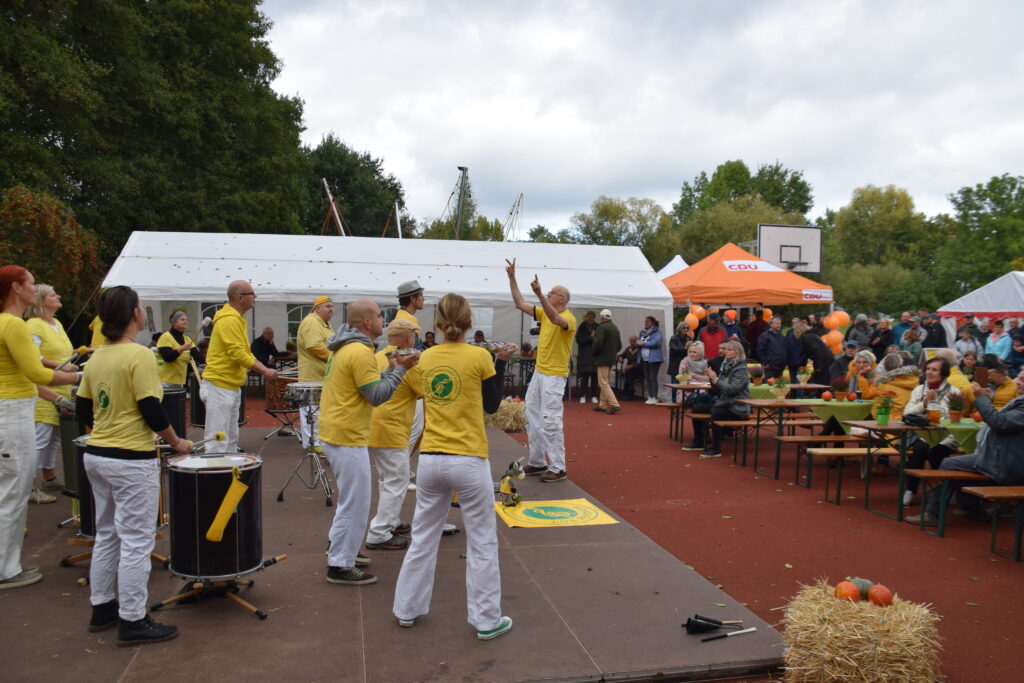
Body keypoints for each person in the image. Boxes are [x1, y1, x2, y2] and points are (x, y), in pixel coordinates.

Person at [393, 293, 516, 640]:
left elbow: (420, 391)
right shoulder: (480, 356)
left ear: (438, 324)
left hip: (431, 458)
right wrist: (501, 362)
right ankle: (486, 619)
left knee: (422, 538)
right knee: (482, 541)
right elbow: (492, 406)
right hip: (468, 458)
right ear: (469, 322)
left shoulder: (426, 357)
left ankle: (406, 608)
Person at [76, 285, 192, 643]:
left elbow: (82, 408)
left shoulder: (96, 357)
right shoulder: (140, 354)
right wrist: (176, 443)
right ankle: (132, 619)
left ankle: (102, 607)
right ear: (133, 314)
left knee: (107, 533)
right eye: (141, 306)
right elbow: (150, 407)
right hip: (129, 460)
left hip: (97, 455)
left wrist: (109, 430)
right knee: (137, 541)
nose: (143, 312)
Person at [319, 299, 419, 585]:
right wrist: (402, 370)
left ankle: (341, 549)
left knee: (351, 500)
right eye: (377, 316)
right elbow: (376, 397)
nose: (381, 320)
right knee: (356, 503)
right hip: (346, 435)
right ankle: (339, 563)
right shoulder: (360, 352)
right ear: (366, 323)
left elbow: (366, 388)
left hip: (338, 431)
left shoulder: (346, 349)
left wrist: (391, 371)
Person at [1, 267, 77, 590]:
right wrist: (81, 377)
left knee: (9, 490)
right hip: (13, 413)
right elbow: (37, 372)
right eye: (32, 284)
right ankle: (6, 569)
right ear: (17, 288)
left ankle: (8, 564)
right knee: (13, 493)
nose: (36, 289)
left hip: (11, 409)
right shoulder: (14, 325)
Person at [906, 368, 1024, 526]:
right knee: (958, 464)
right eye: (1018, 377)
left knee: (950, 464)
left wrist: (982, 399)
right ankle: (971, 508)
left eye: (1022, 379)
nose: (1016, 381)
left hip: (1007, 460)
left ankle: (933, 513)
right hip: (1004, 455)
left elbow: (998, 422)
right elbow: (1002, 421)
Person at [505, 258, 576, 483]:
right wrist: (512, 278)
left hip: (554, 375)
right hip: (540, 372)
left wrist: (539, 296)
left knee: (551, 419)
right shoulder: (545, 311)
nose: (548, 293)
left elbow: (556, 319)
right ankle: (537, 461)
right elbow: (519, 303)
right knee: (531, 414)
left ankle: (558, 467)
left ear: (561, 299)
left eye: (552, 293)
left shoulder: (568, 318)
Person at [201, 281, 278, 453]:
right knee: (218, 440)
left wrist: (264, 368)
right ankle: (217, 476)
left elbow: (245, 353)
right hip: (220, 386)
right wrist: (265, 370)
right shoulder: (229, 320)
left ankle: (228, 475)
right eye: (252, 293)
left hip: (229, 386)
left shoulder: (235, 318)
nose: (255, 296)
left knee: (230, 439)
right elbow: (237, 353)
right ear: (240, 298)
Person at [365, 318, 421, 552]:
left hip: (373, 425)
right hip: (393, 427)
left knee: (386, 479)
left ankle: (392, 521)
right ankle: (379, 532)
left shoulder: (378, 356)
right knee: (398, 480)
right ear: (409, 338)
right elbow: (421, 391)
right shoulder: (407, 361)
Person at [25, 284, 77, 503]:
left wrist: (78, 353)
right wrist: (61, 366)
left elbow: (63, 351)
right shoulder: (33, 325)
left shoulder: (57, 323)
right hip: (43, 388)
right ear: (41, 300)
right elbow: (33, 357)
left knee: (54, 436)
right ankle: (29, 487)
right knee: (40, 438)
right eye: (53, 294)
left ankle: (49, 476)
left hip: (60, 386)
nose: (59, 295)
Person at [902, 358, 964, 505]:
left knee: (935, 451)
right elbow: (906, 413)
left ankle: (944, 487)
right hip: (924, 434)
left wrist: (934, 403)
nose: (929, 372)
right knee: (919, 449)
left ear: (943, 373)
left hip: (947, 435)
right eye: (928, 369)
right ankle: (911, 489)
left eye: (934, 369)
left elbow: (952, 416)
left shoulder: (954, 392)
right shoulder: (919, 390)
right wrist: (923, 403)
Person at [684, 340, 749, 457]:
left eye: (729, 349)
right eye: (726, 349)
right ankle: (699, 441)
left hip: (737, 406)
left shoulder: (741, 369)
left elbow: (733, 389)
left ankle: (716, 449)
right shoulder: (726, 364)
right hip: (725, 403)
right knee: (697, 409)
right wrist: (711, 378)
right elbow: (720, 388)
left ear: (738, 352)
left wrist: (715, 379)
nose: (726, 351)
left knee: (716, 412)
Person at [296, 295, 335, 452]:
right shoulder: (312, 322)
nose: (331, 309)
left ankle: (317, 441)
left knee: (318, 410)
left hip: (321, 375)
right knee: (310, 410)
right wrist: (336, 358)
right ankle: (312, 443)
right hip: (311, 376)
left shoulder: (324, 324)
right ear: (317, 308)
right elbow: (314, 347)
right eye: (327, 306)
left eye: (332, 306)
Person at [869, 353, 920, 420]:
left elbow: (878, 409)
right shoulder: (914, 380)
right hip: (909, 419)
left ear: (885, 366)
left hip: (888, 421)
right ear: (901, 365)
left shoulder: (883, 385)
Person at [591, 309, 621, 415]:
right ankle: (602, 405)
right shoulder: (615, 328)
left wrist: (593, 339)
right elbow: (619, 345)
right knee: (605, 381)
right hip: (611, 359)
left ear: (602, 317)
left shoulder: (601, 327)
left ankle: (614, 404)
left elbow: (598, 343)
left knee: (603, 382)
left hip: (602, 359)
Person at [155, 311, 194, 386]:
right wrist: (181, 349)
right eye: (182, 319)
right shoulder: (165, 337)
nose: (186, 321)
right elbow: (168, 357)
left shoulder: (187, 339)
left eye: (187, 320)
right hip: (165, 381)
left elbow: (197, 356)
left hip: (179, 381)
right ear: (174, 323)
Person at [794, 321, 834, 387]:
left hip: (823, 362)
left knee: (820, 382)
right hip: (826, 360)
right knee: (824, 381)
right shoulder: (811, 335)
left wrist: (818, 366)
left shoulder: (806, 338)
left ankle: (821, 395)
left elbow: (817, 350)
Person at [638, 316, 663, 404]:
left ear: (653, 323)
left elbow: (655, 342)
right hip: (644, 358)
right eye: (645, 321)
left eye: (648, 321)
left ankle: (655, 396)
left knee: (653, 378)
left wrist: (643, 343)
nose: (646, 323)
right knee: (647, 378)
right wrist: (637, 343)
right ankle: (650, 396)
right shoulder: (642, 332)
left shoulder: (657, 332)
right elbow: (639, 342)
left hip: (654, 359)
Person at [574, 311, 598, 404]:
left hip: (595, 355)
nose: (590, 318)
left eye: (592, 317)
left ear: (594, 318)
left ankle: (594, 396)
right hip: (584, 355)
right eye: (589, 317)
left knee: (595, 377)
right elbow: (579, 340)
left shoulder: (598, 327)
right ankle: (583, 395)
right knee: (584, 377)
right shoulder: (582, 327)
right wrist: (590, 337)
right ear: (586, 317)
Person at [396, 280, 426, 349]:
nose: (423, 299)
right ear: (412, 298)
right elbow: (416, 349)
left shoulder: (399, 314)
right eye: (421, 295)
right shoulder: (409, 320)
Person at [667, 321, 692, 401]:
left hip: (685, 366)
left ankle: (683, 401)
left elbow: (692, 351)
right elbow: (674, 349)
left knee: (684, 384)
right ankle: (674, 402)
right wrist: (685, 348)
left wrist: (690, 347)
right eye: (684, 327)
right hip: (675, 365)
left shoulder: (689, 338)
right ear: (679, 328)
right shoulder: (674, 338)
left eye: (687, 328)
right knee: (675, 385)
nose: (686, 329)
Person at [756, 316, 787, 380]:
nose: (779, 325)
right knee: (769, 386)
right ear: (771, 324)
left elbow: (784, 350)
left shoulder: (781, 336)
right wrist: (766, 363)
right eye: (777, 323)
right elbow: (760, 350)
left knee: (779, 386)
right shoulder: (764, 336)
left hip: (780, 366)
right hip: (770, 367)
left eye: (780, 323)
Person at [617, 335, 642, 400]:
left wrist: (632, 366)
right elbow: (621, 355)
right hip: (629, 369)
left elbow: (642, 362)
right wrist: (620, 358)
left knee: (629, 372)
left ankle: (628, 394)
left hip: (638, 369)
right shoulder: (628, 349)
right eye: (631, 341)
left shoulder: (640, 349)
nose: (632, 343)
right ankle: (628, 393)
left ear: (637, 341)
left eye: (634, 341)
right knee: (628, 372)